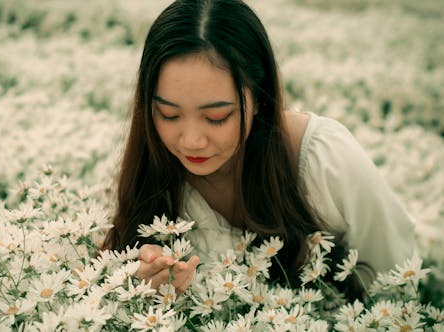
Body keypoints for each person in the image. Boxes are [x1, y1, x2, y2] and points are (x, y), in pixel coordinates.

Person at [102, 0, 415, 298]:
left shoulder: (325, 159)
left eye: (216, 117)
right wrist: (141, 289)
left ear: (259, 100)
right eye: (169, 115)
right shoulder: (152, 175)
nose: (191, 141)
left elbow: (396, 282)